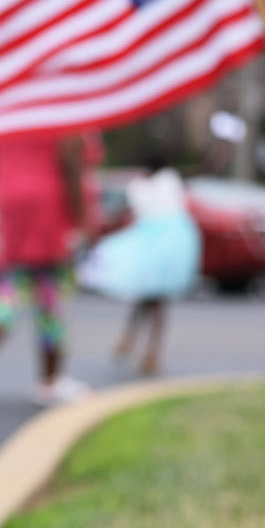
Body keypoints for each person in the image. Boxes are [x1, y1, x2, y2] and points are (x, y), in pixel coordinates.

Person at [0, 133, 100, 406]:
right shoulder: (63, 109)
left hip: (11, 204)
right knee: (50, 298)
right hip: (50, 206)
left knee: (9, 288)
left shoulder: (14, 109)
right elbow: (71, 161)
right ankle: (50, 381)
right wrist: (83, 220)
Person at [79, 150, 200, 375]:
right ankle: (145, 351)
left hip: (152, 246)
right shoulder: (169, 180)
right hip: (165, 247)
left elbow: (123, 211)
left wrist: (101, 227)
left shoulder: (142, 185)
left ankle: (133, 346)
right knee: (154, 303)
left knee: (147, 301)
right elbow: (202, 169)